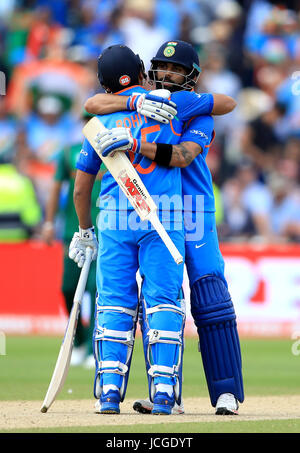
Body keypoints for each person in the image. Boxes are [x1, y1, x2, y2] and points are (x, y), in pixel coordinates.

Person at [68, 43, 227, 415]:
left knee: (114, 304)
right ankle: (163, 395)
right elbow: (223, 103)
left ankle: (108, 393)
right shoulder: (172, 104)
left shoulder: (100, 120)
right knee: (164, 303)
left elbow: (80, 187)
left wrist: (84, 230)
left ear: (104, 84)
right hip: (165, 218)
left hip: (114, 219)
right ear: (142, 72)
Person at [41, 110, 105, 368]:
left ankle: (92, 348)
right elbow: (57, 188)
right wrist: (48, 222)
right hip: (73, 230)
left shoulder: (113, 150)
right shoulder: (69, 152)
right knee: (68, 289)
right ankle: (78, 341)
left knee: (95, 290)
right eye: (85, 120)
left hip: (104, 230)